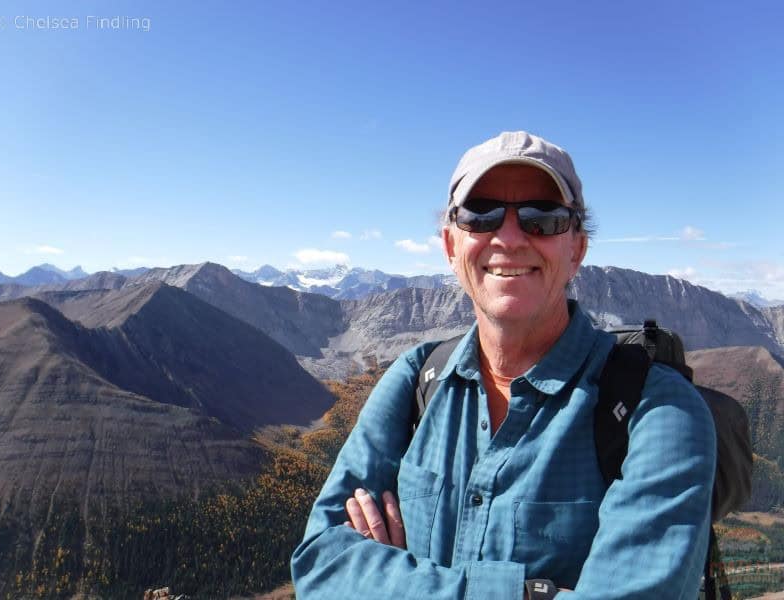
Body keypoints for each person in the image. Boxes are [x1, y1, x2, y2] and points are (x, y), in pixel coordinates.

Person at [291, 131, 716, 599]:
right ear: (451, 246)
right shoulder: (416, 377)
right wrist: (538, 592)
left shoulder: (657, 410)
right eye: (481, 214)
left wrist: (389, 577)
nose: (510, 237)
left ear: (577, 249)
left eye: (543, 217)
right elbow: (319, 561)